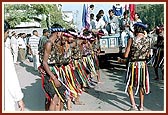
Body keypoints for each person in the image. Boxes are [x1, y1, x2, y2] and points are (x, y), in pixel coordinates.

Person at [39, 23, 68, 111]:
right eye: (61, 33)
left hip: (55, 72)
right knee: (54, 98)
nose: (62, 35)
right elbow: (44, 62)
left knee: (60, 96)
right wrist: (54, 78)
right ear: (57, 33)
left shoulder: (55, 44)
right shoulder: (48, 44)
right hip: (50, 74)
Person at [124, 22, 150, 111]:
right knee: (141, 85)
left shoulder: (132, 39)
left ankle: (133, 106)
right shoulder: (148, 40)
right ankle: (141, 106)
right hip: (143, 65)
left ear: (135, 30)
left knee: (129, 85)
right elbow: (148, 55)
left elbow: (126, 55)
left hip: (133, 65)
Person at [4, 20, 25, 111]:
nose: (7, 35)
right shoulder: (4, 52)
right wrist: (19, 98)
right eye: (7, 32)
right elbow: (10, 78)